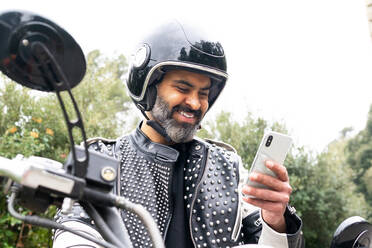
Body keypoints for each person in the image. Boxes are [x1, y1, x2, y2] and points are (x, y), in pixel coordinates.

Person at [53, 20, 304, 248]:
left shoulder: (229, 168)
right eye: (182, 88)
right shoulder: (100, 159)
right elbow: (72, 232)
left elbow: (264, 242)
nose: (195, 103)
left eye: (203, 94)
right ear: (148, 87)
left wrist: (275, 220)